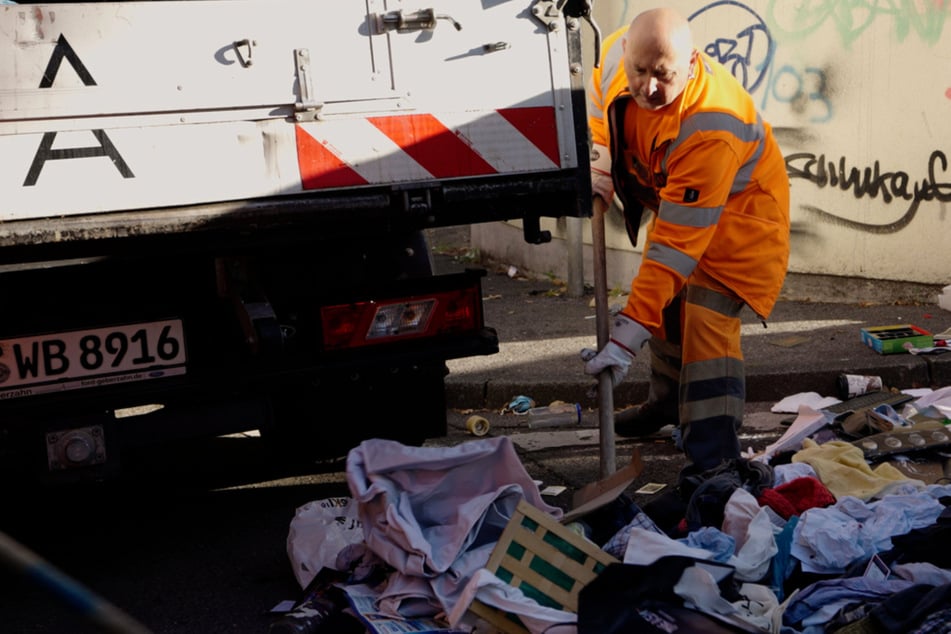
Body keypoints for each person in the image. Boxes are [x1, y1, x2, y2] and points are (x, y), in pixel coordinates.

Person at [581, 7, 790, 478]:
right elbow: (599, 102)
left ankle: (714, 456)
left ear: (692, 62)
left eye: (664, 76)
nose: (649, 87)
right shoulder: (616, 54)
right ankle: (667, 406)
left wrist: (623, 340)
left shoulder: (710, 125)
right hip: (683, 204)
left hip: (742, 221)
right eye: (640, 71)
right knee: (668, 305)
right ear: (627, 53)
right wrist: (600, 162)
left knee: (706, 323)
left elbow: (674, 250)